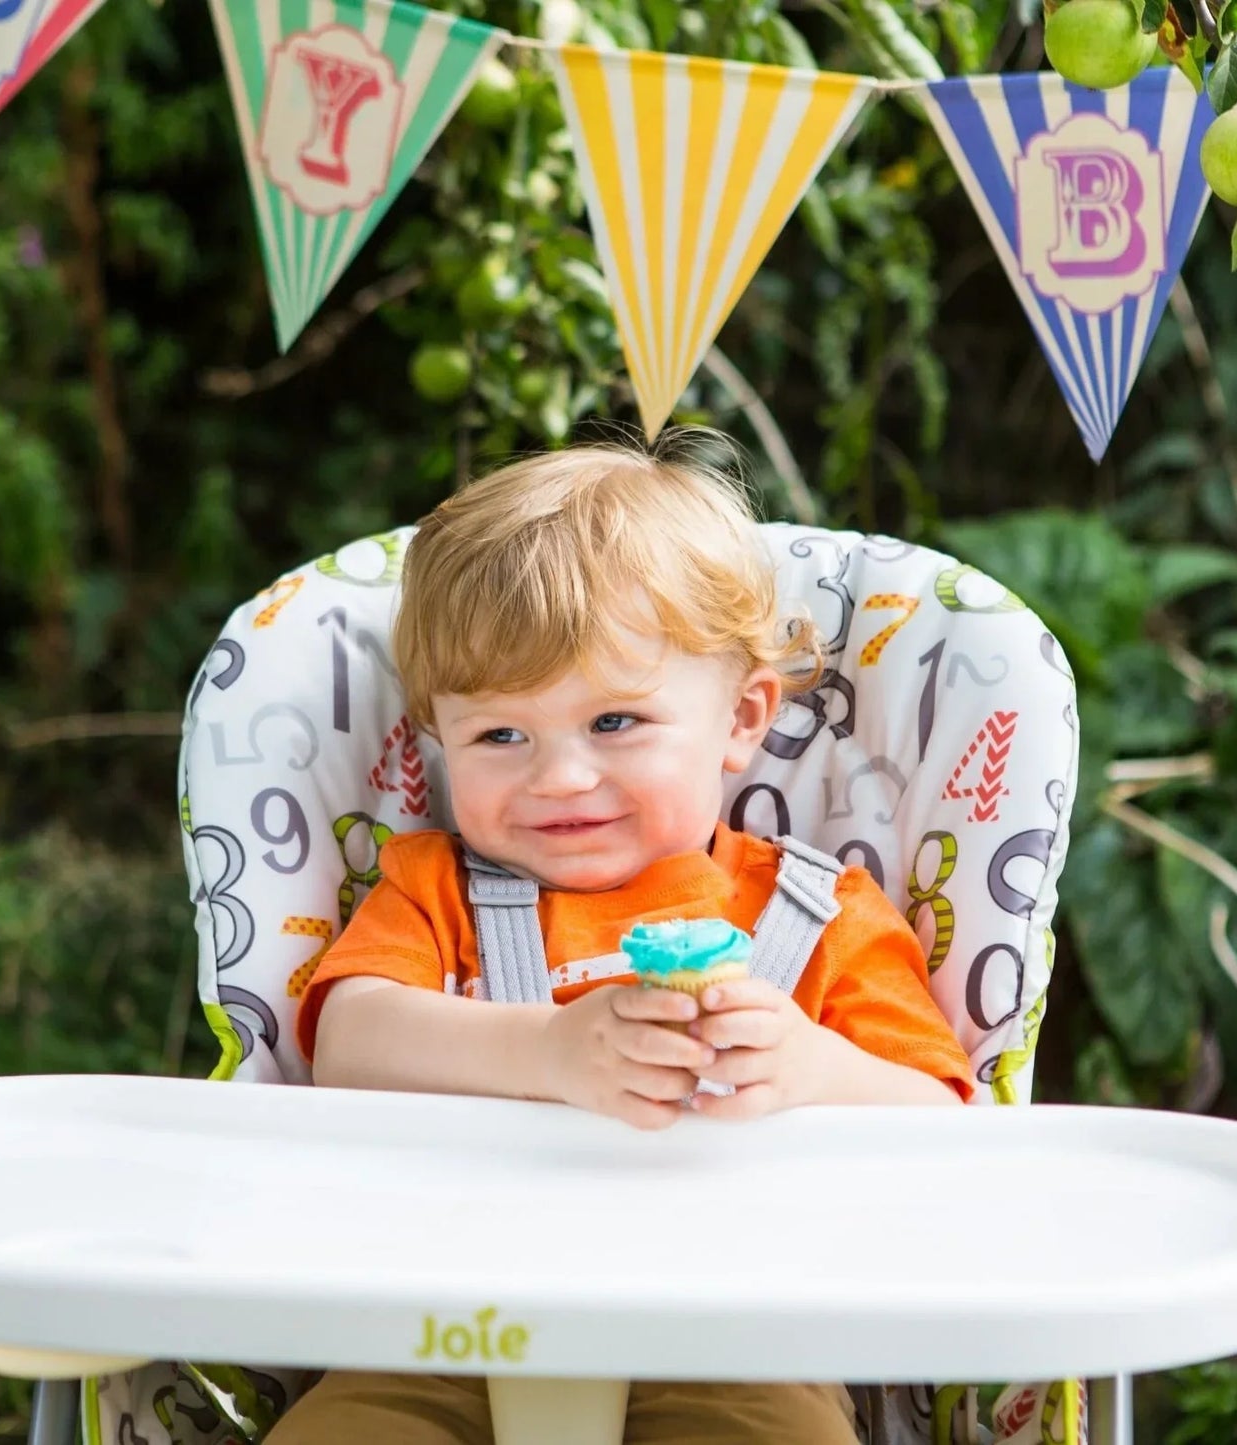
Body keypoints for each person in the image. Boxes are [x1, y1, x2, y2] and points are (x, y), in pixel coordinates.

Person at [274, 433, 976, 1445]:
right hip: (441, 1333)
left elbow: (943, 1127)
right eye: (499, 735)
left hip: (738, 1343)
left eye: (612, 721)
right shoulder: (435, 886)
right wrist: (547, 1052)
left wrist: (808, 1064)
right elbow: (345, 1041)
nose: (557, 777)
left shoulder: (821, 915)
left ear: (739, 717)